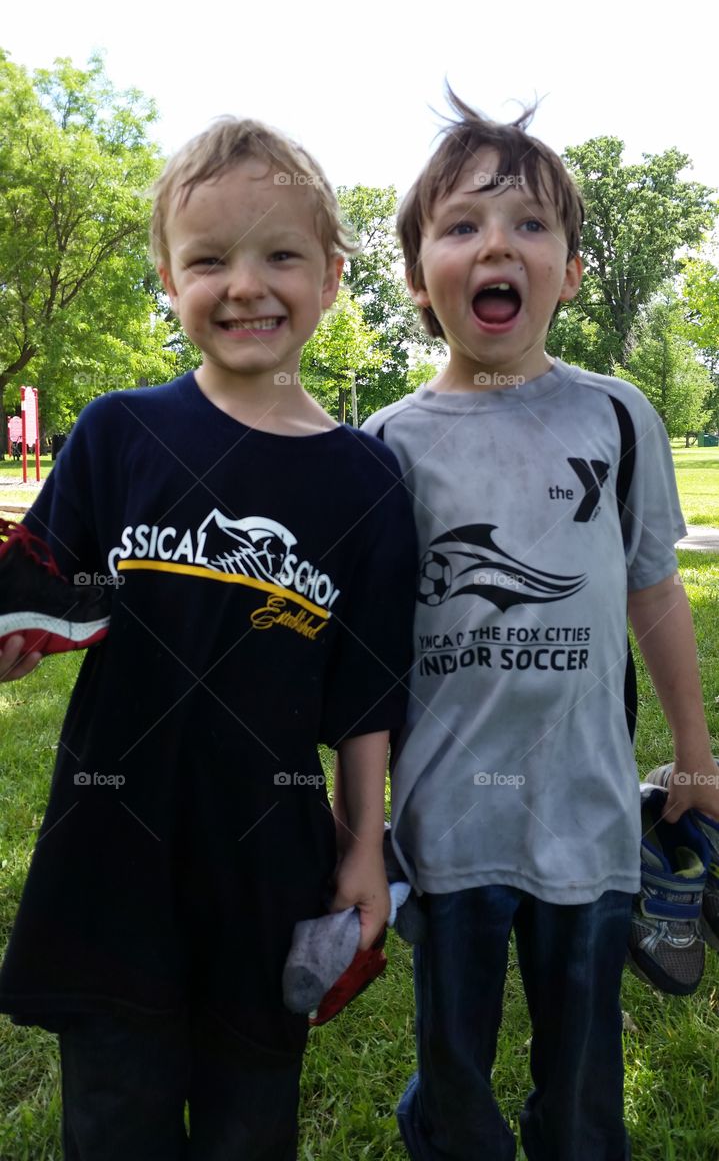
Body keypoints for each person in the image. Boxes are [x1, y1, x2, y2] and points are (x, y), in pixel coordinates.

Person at [0, 117, 417, 1161]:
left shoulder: (364, 484)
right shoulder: (117, 434)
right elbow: (47, 588)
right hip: (111, 851)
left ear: (329, 275)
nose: (246, 285)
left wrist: (363, 845)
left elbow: (367, 692)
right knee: (114, 1116)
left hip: (266, 863)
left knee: (248, 1121)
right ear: (166, 276)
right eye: (209, 259)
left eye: (279, 255)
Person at [363, 89, 719, 1161]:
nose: (495, 246)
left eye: (527, 224)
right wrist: (359, 815)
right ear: (420, 279)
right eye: (461, 225)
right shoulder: (385, 444)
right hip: (445, 824)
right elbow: (367, 655)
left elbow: (653, 588)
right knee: (453, 1070)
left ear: (567, 270)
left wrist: (693, 757)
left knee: (579, 1083)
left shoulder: (615, 414)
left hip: (590, 812)